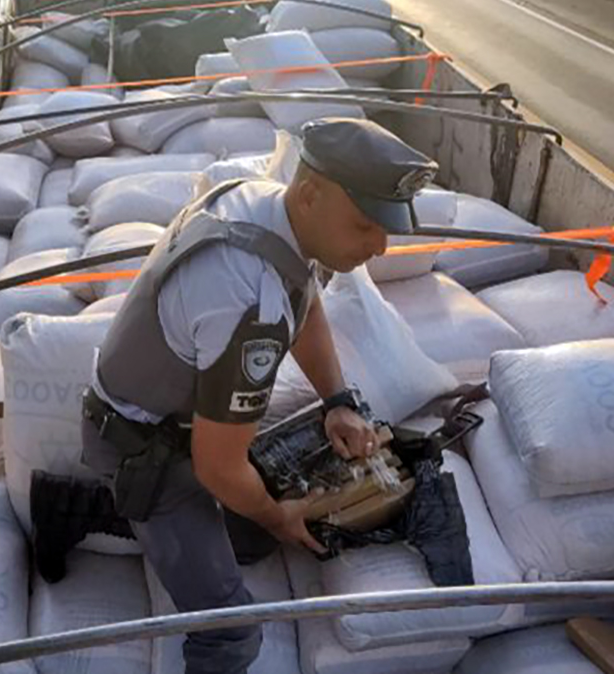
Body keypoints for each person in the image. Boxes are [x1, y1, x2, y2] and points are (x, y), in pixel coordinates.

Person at [80, 117, 438, 674]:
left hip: (175, 425)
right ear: (312, 192)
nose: (381, 247)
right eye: (366, 225)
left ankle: (93, 509)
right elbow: (218, 468)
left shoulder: (269, 208)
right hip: (142, 448)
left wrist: (336, 398)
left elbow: (307, 298)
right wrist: (277, 516)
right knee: (233, 636)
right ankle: (102, 505)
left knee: (250, 538)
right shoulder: (246, 299)